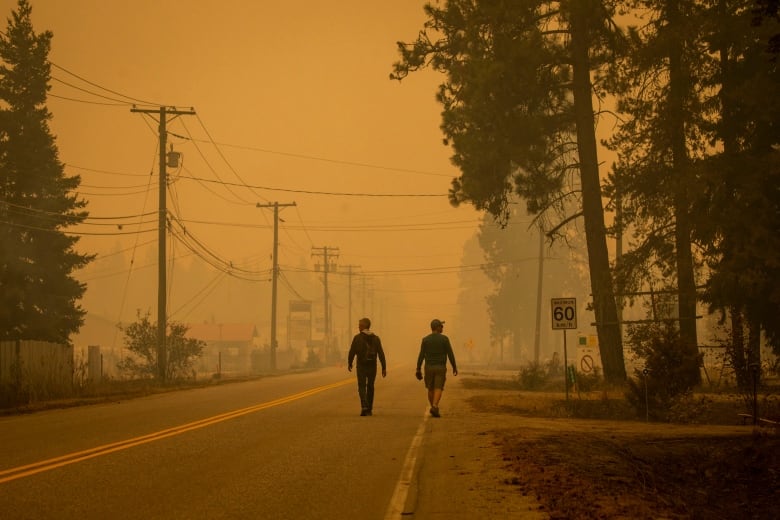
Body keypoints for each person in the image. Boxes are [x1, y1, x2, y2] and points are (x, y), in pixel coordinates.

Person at [415, 318, 457, 417]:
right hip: (440, 367)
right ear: (437, 328)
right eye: (441, 326)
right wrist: (454, 366)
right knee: (438, 387)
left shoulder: (425, 340)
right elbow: (450, 354)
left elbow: (421, 355)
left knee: (430, 388)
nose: (442, 328)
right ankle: (434, 406)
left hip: (429, 367)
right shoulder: (444, 339)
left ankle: (433, 408)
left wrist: (418, 368)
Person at [347, 317, 386, 416]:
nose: (358, 327)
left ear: (364, 326)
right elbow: (381, 353)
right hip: (372, 365)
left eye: (360, 325)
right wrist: (384, 367)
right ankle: (369, 408)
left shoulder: (357, 338)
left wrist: (350, 362)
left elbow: (352, 351)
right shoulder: (376, 338)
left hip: (361, 365)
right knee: (370, 386)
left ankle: (364, 406)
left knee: (361, 386)